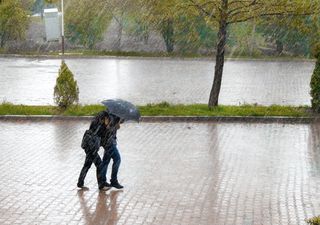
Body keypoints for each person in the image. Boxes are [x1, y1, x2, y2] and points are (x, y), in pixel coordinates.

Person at [77, 111, 111, 190]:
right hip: (92, 149)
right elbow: (102, 135)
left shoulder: (95, 122)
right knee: (99, 165)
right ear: (104, 118)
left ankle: (80, 183)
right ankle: (101, 185)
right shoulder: (100, 126)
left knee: (87, 165)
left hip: (88, 146)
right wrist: (106, 126)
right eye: (107, 118)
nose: (107, 120)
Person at [100, 114, 124, 189]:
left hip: (108, 142)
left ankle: (102, 182)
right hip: (109, 142)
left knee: (105, 162)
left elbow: (117, 127)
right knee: (117, 159)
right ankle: (113, 180)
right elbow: (108, 129)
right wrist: (112, 125)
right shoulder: (108, 116)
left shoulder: (115, 116)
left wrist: (118, 122)